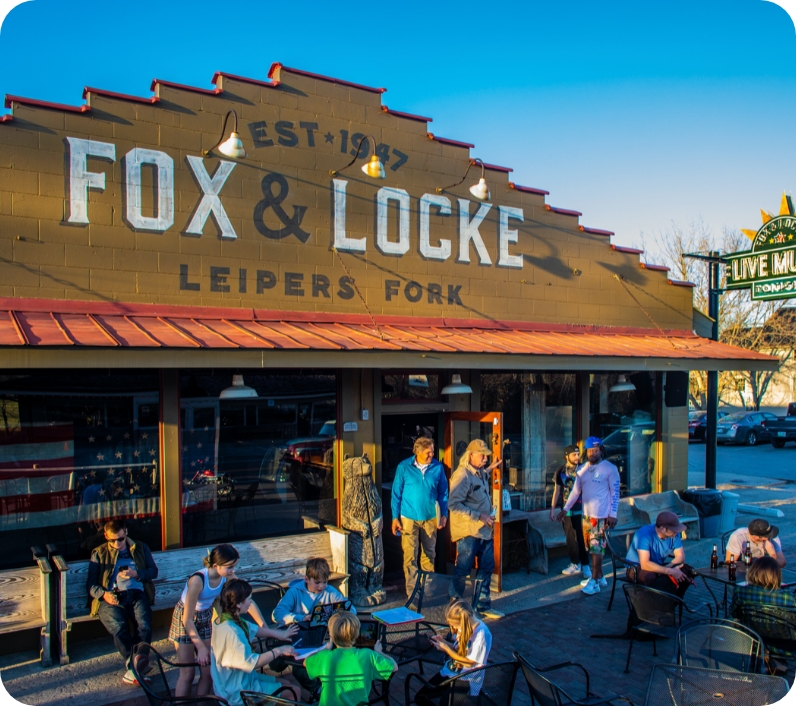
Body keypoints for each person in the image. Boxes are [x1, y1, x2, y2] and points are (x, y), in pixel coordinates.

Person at [86, 519, 159, 685]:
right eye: (112, 540)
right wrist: (104, 594)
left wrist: (137, 573)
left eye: (119, 539)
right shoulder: (99, 553)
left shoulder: (140, 547)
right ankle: (135, 664)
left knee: (144, 625)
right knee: (119, 627)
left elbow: (153, 571)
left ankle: (135, 668)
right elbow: (90, 585)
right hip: (111, 596)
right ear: (105, 536)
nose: (117, 543)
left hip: (136, 593)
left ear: (125, 532)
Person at [272, 557, 355, 696]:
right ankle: (321, 688)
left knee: (303, 668)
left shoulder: (330, 591)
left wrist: (336, 616)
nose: (321, 586)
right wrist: (300, 618)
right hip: (297, 633)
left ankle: (321, 690)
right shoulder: (295, 592)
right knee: (278, 664)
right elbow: (277, 614)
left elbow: (351, 610)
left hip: (321, 636)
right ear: (306, 579)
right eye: (317, 583)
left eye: (324, 582)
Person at [210, 579, 300, 706]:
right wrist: (279, 650)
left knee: (286, 683)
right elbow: (251, 663)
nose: (251, 603)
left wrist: (280, 634)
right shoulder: (232, 632)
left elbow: (255, 629)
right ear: (239, 604)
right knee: (293, 692)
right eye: (249, 599)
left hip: (235, 681)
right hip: (237, 692)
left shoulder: (224, 619)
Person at [170, 544, 239, 698]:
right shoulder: (198, 580)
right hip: (186, 618)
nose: (233, 571)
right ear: (216, 566)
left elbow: (238, 591)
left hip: (206, 615)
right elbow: (187, 620)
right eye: (230, 567)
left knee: (208, 671)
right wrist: (200, 647)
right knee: (187, 673)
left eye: (234, 566)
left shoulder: (225, 577)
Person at [557, 436, 621, 596]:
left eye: (596, 450)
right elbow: (575, 491)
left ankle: (594, 581)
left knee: (596, 548)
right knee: (591, 549)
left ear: (601, 450)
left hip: (601, 516)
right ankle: (599, 577)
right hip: (586, 515)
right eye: (590, 450)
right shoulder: (582, 469)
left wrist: (612, 514)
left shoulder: (610, 468)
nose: (593, 453)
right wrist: (565, 509)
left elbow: (615, 493)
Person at [448, 439, 504, 619]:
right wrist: (480, 515)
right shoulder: (461, 475)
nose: (485, 458)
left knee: (487, 566)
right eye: (482, 455)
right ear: (470, 455)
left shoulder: (479, 472)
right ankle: (455, 606)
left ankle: (482, 604)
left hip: (484, 531)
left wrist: (492, 467)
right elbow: (453, 504)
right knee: (463, 569)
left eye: (486, 456)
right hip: (468, 532)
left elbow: (480, 477)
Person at [391, 436, 449, 597]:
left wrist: (444, 514)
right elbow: (396, 494)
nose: (431, 455)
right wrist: (394, 517)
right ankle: (412, 592)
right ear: (417, 451)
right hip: (409, 517)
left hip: (430, 516)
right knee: (410, 555)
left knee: (429, 553)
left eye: (432, 452)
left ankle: (427, 590)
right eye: (427, 453)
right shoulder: (404, 467)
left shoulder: (437, 467)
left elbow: (444, 492)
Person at [304, 611, 396, 706]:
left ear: (331, 635)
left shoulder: (325, 656)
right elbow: (394, 667)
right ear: (357, 635)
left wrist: (326, 649)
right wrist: (379, 652)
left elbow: (306, 662)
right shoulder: (368, 655)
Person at [414, 600, 493, 705]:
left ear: (463, 621)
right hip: (452, 670)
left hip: (467, 678)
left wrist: (447, 649)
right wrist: (443, 642)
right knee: (421, 697)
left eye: (455, 626)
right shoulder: (465, 627)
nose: (454, 629)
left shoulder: (481, 634)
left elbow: (469, 662)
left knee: (444, 703)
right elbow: (458, 649)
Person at [625, 511, 694, 597]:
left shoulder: (674, 535)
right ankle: (647, 603)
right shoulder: (644, 535)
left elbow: (680, 556)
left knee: (686, 570)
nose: (676, 532)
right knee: (651, 577)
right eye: (674, 529)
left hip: (658, 565)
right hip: (636, 568)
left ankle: (673, 599)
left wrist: (668, 566)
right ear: (663, 529)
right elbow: (645, 564)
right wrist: (669, 571)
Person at [550, 444, 590, 578]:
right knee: (570, 538)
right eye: (574, 454)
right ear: (567, 456)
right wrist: (552, 509)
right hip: (566, 510)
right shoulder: (560, 470)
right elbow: (557, 491)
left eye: (578, 454)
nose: (577, 457)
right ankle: (574, 563)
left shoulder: (584, 468)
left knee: (582, 538)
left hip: (582, 509)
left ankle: (585, 565)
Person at [730, 556, 796, 617]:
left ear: (753, 572)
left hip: (749, 628)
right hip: (780, 629)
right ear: (777, 575)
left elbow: (734, 613)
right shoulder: (788, 598)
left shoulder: (740, 592)